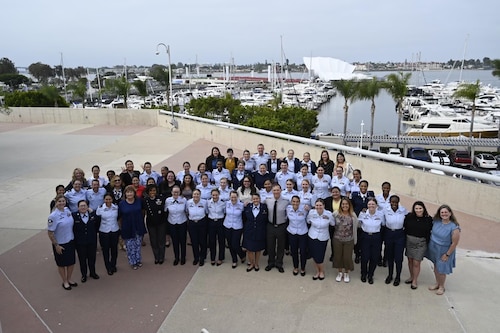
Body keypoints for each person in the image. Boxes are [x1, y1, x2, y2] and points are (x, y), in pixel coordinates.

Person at [427, 205, 461, 295]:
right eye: (442, 212)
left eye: (446, 212)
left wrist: (447, 254)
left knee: (441, 269)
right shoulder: (436, 222)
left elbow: (454, 243)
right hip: (434, 247)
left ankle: (442, 286)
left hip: (445, 250)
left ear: (450, 213)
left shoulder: (454, 227)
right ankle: (437, 283)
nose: (444, 214)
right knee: (436, 267)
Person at [47, 194, 77, 290]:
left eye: (63, 201)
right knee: (61, 264)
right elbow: (50, 233)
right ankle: (64, 281)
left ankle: (69, 278)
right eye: (59, 201)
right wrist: (56, 245)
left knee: (71, 262)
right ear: (56, 203)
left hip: (70, 241)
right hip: (60, 244)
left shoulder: (67, 211)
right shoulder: (53, 216)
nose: (61, 203)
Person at [403, 201, 433, 290]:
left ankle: (415, 280)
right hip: (409, 241)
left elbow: (430, 232)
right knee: (410, 261)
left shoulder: (428, 219)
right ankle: (411, 277)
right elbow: (405, 227)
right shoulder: (409, 217)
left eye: (420, 208)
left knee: (416, 262)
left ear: (424, 209)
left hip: (421, 243)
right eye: (416, 208)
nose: (418, 210)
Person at [358, 198, 386, 284]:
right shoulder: (362, 214)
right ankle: (363, 273)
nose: (371, 206)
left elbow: (383, 224)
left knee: (374, 257)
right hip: (365, 237)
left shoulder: (380, 215)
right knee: (364, 257)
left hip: (376, 237)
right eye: (369, 204)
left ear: (376, 206)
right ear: (367, 205)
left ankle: (370, 275)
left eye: (373, 204)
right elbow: (359, 225)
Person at [119, 185, 147, 270]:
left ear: (134, 193)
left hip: (138, 225)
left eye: (131, 192)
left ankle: (138, 260)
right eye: (127, 192)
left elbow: (143, 210)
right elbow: (119, 216)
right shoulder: (121, 204)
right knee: (130, 246)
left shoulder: (139, 201)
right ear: (125, 194)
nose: (129, 194)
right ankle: (132, 262)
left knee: (138, 245)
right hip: (127, 227)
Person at [307, 198, 335, 280]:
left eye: (320, 205)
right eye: (317, 205)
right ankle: (317, 271)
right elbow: (308, 221)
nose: (318, 207)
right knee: (314, 255)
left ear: (324, 206)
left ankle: (321, 271)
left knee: (320, 256)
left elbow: (333, 223)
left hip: (323, 237)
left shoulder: (329, 214)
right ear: (314, 206)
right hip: (312, 235)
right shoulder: (311, 212)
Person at [383, 195, 408, 286]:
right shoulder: (386, 210)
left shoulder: (403, 210)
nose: (394, 204)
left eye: (396, 202)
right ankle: (390, 275)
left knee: (398, 258)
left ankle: (398, 276)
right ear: (390, 202)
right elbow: (382, 222)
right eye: (392, 202)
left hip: (399, 235)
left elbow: (408, 219)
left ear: (398, 202)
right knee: (390, 257)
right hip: (389, 234)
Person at [72, 200, 100, 283]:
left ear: (87, 207)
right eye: (81, 206)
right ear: (78, 207)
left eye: (84, 205)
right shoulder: (74, 216)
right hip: (80, 243)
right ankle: (84, 275)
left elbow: (98, 222)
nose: (83, 207)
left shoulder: (92, 215)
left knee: (92, 258)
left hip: (91, 241)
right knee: (82, 260)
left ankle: (92, 272)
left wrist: (93, 213)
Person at [332, 198, 358, 283]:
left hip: (349, 240)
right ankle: (340, 272)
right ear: (340, 205)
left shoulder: (353, 215)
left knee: (347, 257)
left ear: (349, 205)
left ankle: (347, 273)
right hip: (337, 239)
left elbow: (356, 227)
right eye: (343, 204)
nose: (345, 206)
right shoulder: (336, 214)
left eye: (346, 204)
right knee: (338, 256)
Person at [264, 184, 289, 273]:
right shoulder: (267, 200)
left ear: (281, 190)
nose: (276, 192)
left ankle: (279, 263)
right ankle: (270, 262)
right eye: (274, 190)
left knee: (281, 246)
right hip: (270, 225)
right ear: (272, 191)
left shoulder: (286, 201)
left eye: (277, 190)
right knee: (270, 245)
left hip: (281, 226)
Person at [351, 180, 375, 263]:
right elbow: (352, 206)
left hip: (367, 220)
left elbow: (373, 205)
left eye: (365, 186)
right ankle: (357, 254)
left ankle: (364, 254)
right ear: (359, 187)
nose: (363, 188)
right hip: (357, 220)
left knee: (365, 238)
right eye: (362, 186)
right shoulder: (355, 195)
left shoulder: (371, 195)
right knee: (357, 238)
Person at [242, 193, 268, 272]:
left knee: (258, 249)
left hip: (260, 231)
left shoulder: (264, 207)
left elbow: (266, 219)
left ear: (259, 199)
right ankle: (252, 263)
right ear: (251, 200)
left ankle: (256, 263)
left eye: (257, 199)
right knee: (249, 249)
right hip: (249, 231)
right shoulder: (247, 207)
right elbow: (244, 218)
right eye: (254, 199)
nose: (255, 200)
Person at [96, 193, 120, 275]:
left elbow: (118, 218)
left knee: (114, 250)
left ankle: (113, 265)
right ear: (104, 200)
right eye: (106, 199)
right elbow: (97, 220)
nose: (108, 201)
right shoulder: (100, 209)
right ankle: (108, 267)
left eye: (109, 199)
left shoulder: (116, 207)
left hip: (114, 230)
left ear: (112, 200)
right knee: (105, 250)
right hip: (104, 232)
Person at [143, 185, 167, 265]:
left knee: (161, 240)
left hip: (161, 222)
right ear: (148, 192)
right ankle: (156, 257)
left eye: (154, 190)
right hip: (151, 223)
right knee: (153, 241)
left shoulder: (161, 198)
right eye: (150, 191)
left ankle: (161, 257)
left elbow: (165, 210)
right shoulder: (145, 200)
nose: (152, 192)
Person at [164, 185, 188, 265]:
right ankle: (176, 257)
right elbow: (165, 210)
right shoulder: (168, 200)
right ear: (171, 192)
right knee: (175, 241)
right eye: (174, 192)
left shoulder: (184, 200)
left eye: (177, 192)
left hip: (182, 222)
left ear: (180, 192)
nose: (176, 193)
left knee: (182, 241)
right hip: (172, 222)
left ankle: (183, 257)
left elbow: (186, 210)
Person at [286, 196, 309, 276]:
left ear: (299, 202)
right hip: (292, 232)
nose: (295, 203)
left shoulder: (304, 209)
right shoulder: (288, 208)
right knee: (294, 251)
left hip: (302, 233)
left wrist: (309, 209)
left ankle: (303, 268)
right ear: (291, 202)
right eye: (293, 201)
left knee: (303, 252)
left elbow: (310, 216)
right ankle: (295, 267)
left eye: (297, 202)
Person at [223, 191, 246, 268]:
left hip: (237, 226)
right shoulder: (226, 204)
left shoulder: (241, 205)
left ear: (237, 197)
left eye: (235, 197)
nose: (233, 199)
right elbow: (223, 213)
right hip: (227, 225)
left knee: (235, 244)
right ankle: (234, 260)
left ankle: (242, 254)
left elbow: (244, 215)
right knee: (230, 244)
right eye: (232, 197)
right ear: (229, 197)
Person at [186, 189, 208, 266]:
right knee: (194, 241)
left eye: (197, 194)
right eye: (194, 194)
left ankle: (202, 257)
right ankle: (196, 257)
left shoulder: (204, 202)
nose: (196, 195)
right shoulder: (188, 202)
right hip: (192, 223)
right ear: (192, 195)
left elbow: (207, 212)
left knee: (202, 241)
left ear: (200, 195)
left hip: (202, 222)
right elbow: (186, 211)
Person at [207, 188, 226, 266]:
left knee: (221, 241)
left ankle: (221, 258)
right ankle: (212, 257)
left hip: (220, 222)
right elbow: (206, 211)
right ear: (211, 195)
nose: (215, 196)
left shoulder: (222, 203)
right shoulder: (208, 203)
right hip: (211, 222)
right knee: (212, 241)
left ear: (219, 195)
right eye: (213, 195)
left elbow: (224, 213)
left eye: (216, 195)